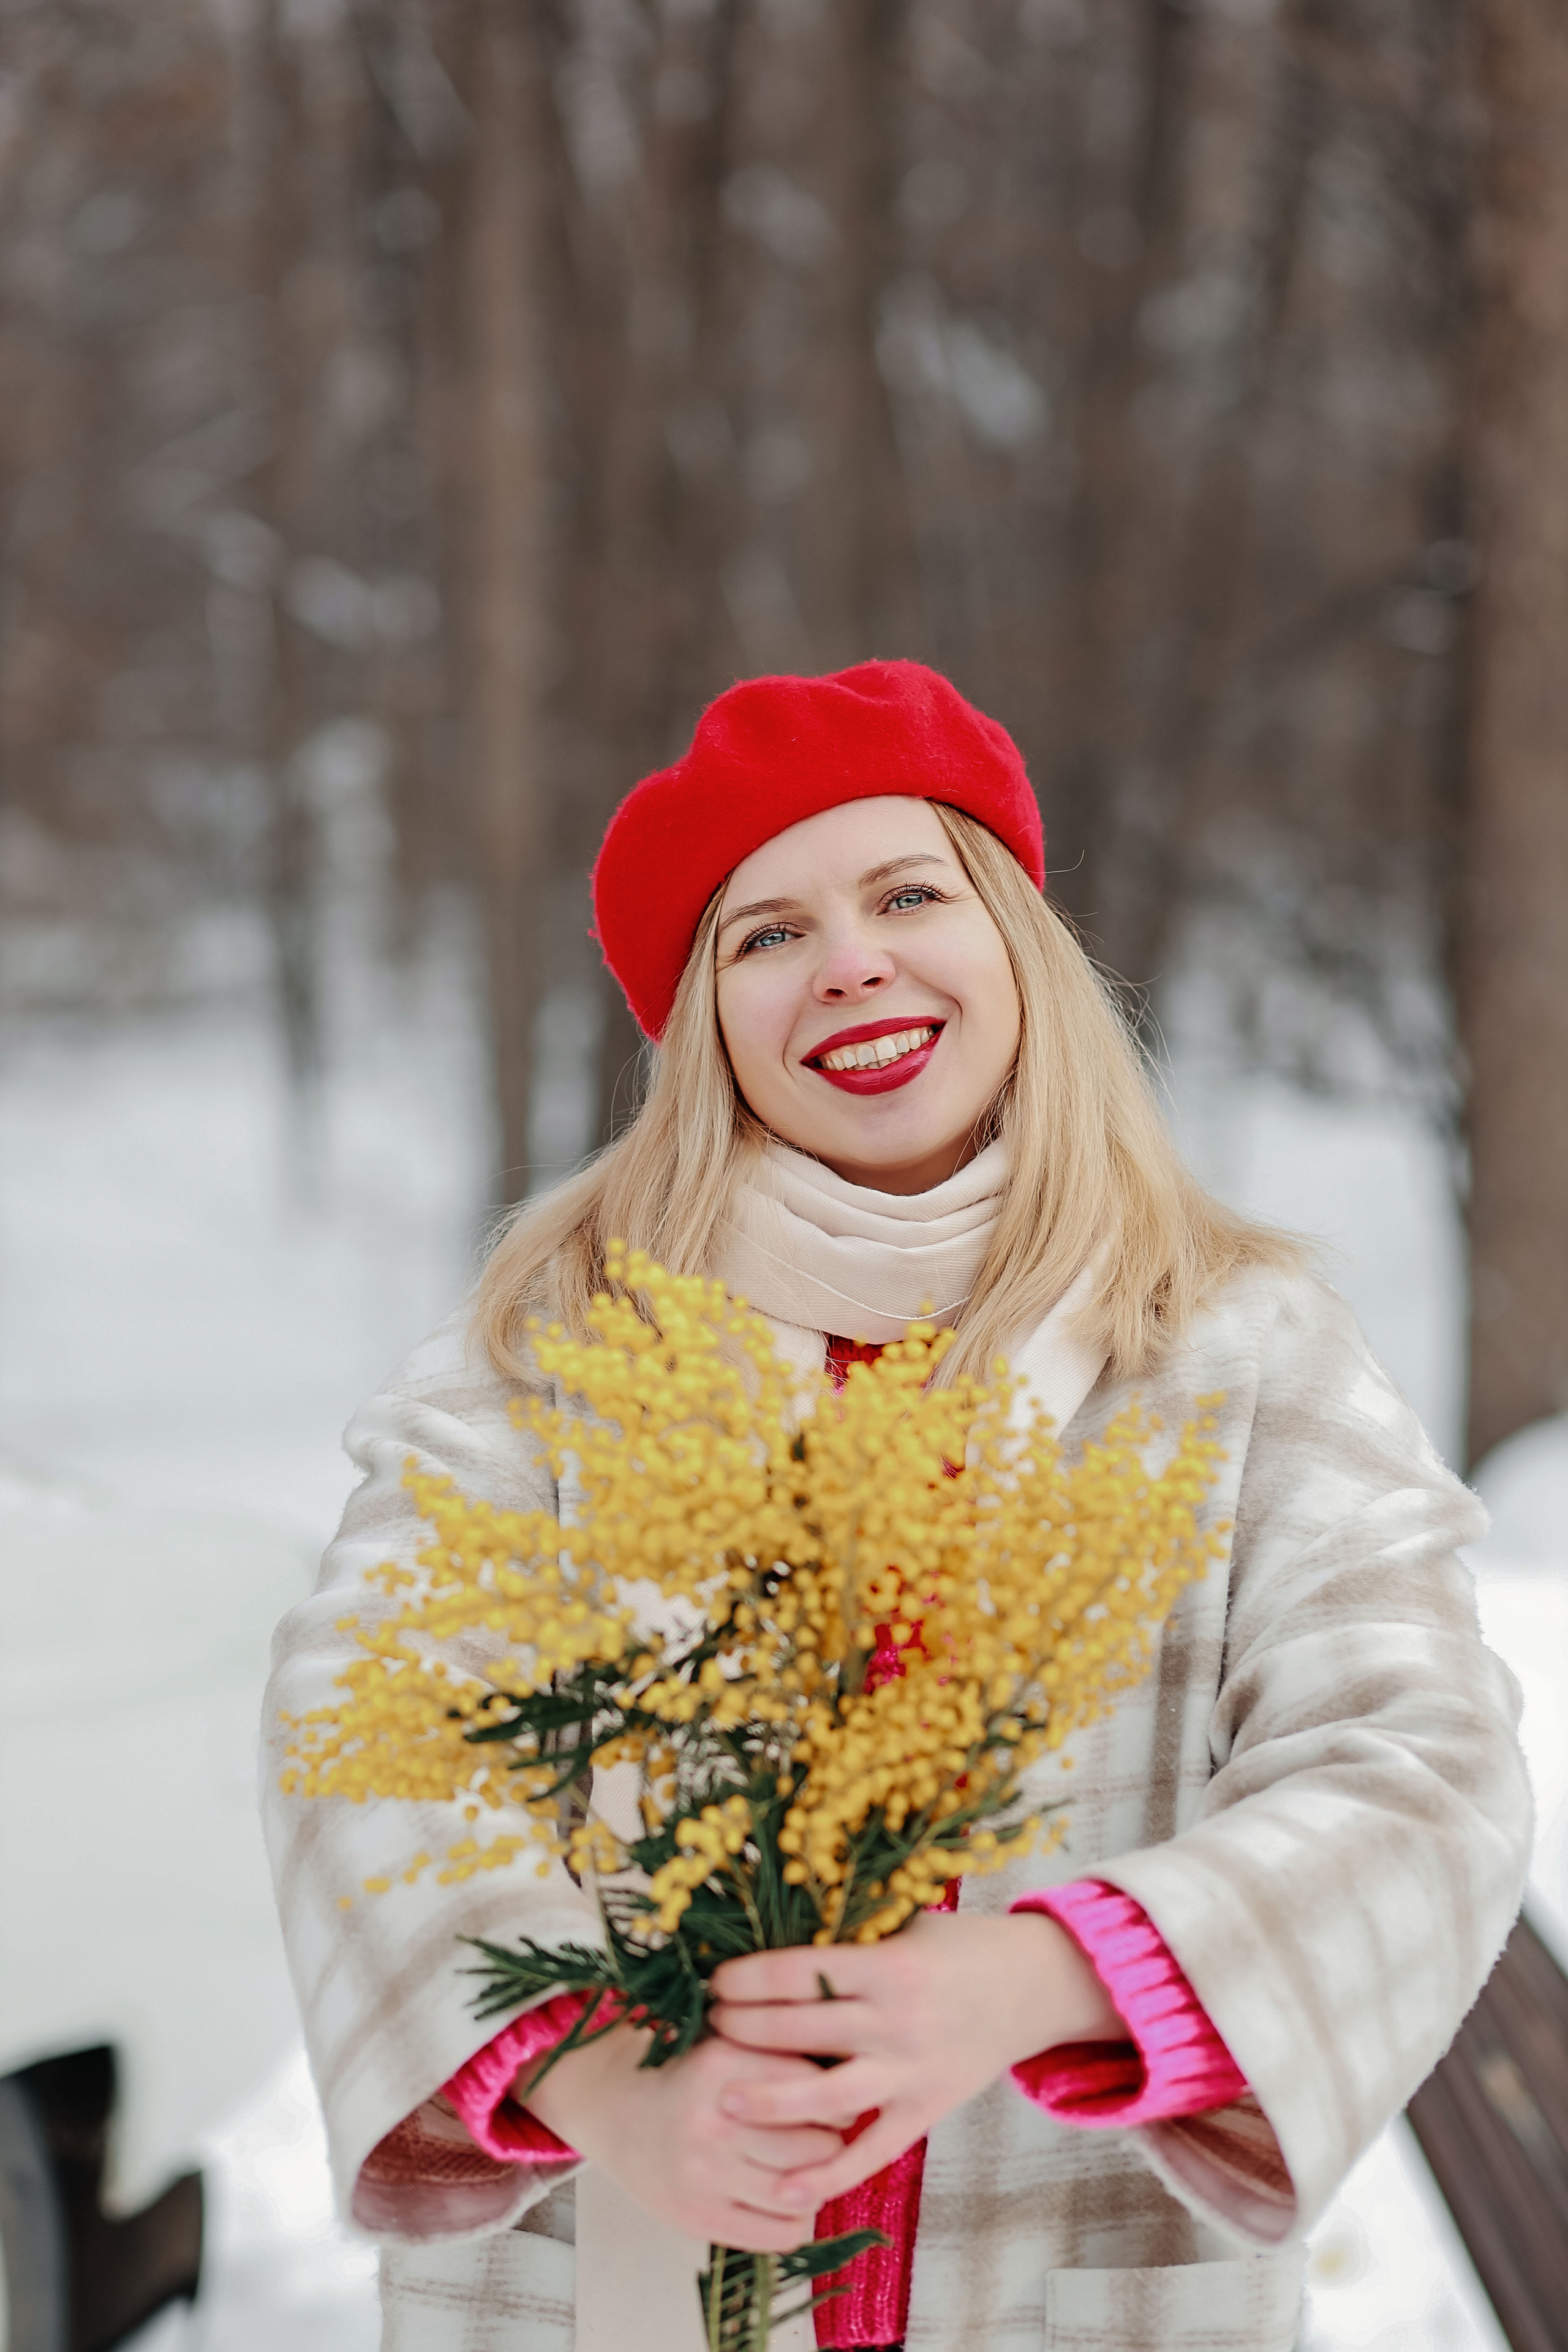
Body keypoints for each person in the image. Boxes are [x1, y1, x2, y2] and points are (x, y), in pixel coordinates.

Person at [263, 662, 1530, 2352]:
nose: (851, 957)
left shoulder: (1240, 1349)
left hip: (1078, 2282)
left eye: (907, 892)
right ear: (704, 1023)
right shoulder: (553, 1349)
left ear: (1018, 939)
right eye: (763, 933)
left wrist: (1040, 1981)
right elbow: (372, 1713)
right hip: (607, 2280)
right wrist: (601, 2066)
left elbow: (1422, 1760)